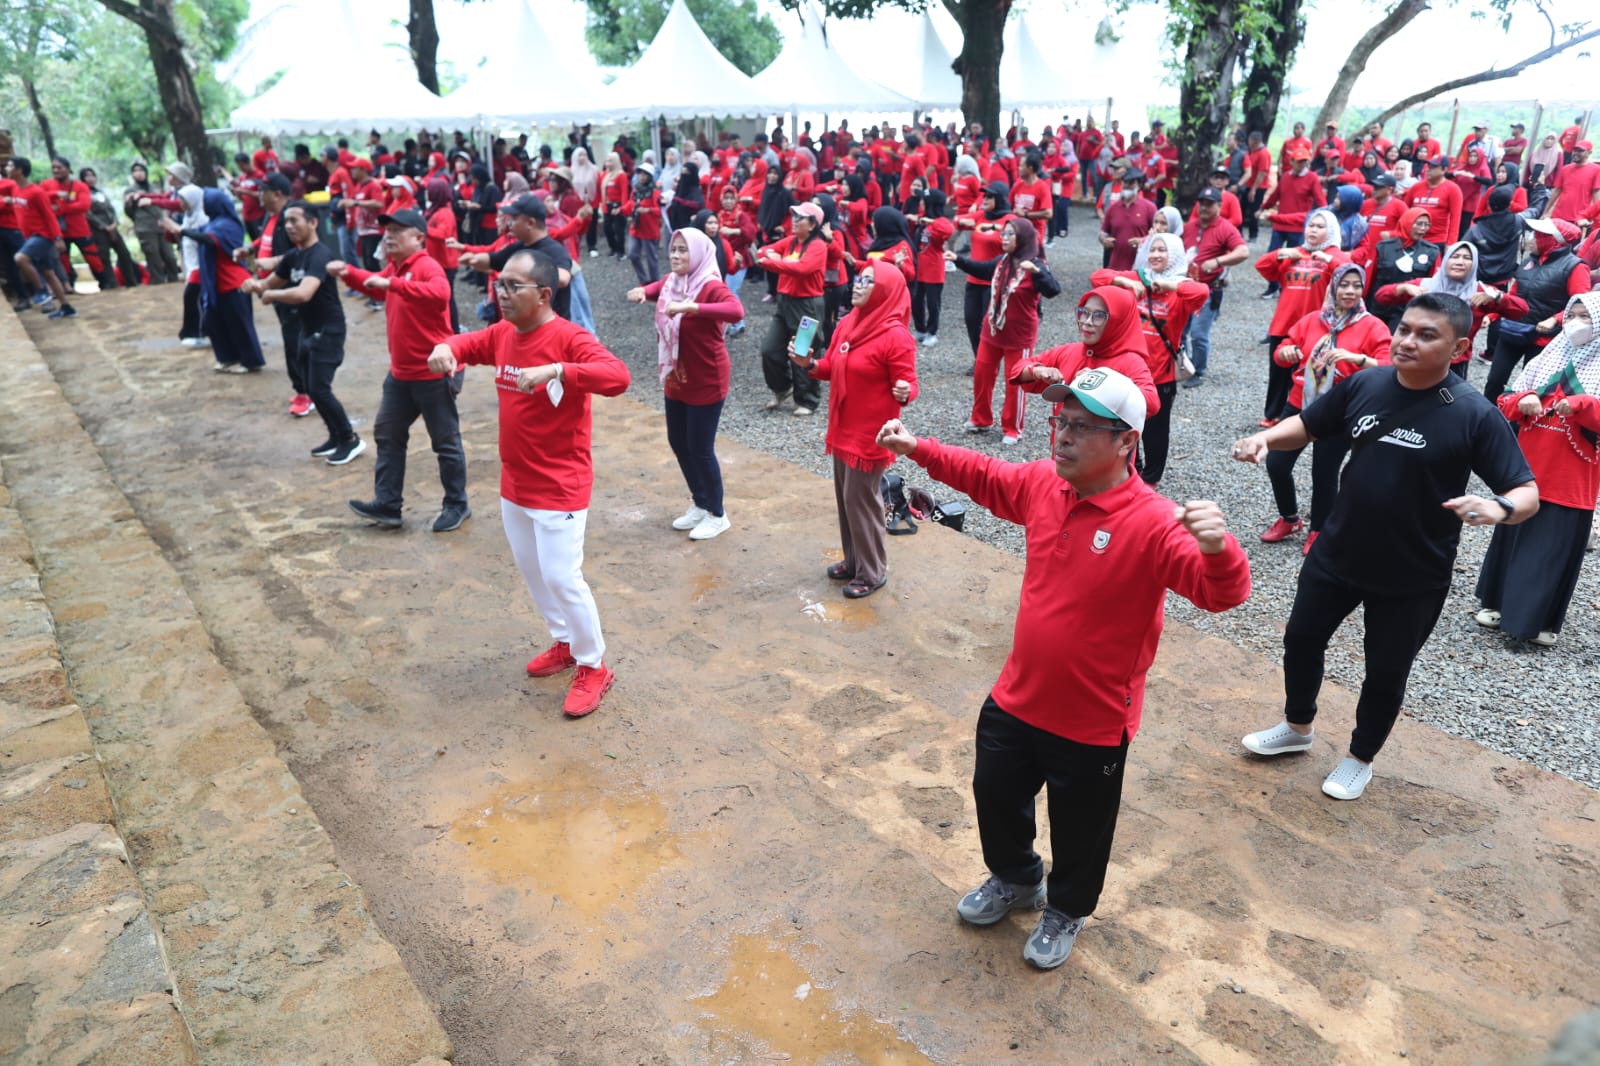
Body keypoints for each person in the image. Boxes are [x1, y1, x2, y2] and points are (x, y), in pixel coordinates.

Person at [876, 367, 1250, 969]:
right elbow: (985, 474)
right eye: (1059, 422)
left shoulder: (1154, 521)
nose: (1061, 437)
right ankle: (1017, 879)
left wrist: (1219, 548)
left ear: (1127, 440)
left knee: (1081, 830)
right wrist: (918, 448)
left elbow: (1219, 594)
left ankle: (1067, 908)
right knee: (995, 795)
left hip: (1094, 718)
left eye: (1079, 426)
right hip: (1018, 695)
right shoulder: (1043, 486)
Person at [1233, 293, 1538, 801]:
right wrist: (1268, 440)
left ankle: (1360, 758)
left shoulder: (1472, 414)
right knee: (1302, 638)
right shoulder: (1367, 383)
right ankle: (1297, 726)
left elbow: (1526, 490)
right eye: (1404, 329)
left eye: (1426, 335)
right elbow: (1308, 425)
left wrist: (1499, 509)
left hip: (1413, 572)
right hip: (1337, 551)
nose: (1407, 341)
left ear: (1459, 346)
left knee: (1385, 670)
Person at [425, 250, 631, 718]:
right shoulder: (503, 334)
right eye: (499, 284)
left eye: (512, 286)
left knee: (562, 577)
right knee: (534, 573)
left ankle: (593, 665)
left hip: (560, 485)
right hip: (514, 483)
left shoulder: (568, 337)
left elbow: (618, 377)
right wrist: (448, 348)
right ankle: (564, 642)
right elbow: (468, 344)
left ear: (542, 294)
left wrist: (559, 370)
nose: (501, 293)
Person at [1475, 292, 1600, 646]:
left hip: (1572, 474)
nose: (1576, 322)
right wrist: (1521, 401)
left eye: (1586, 316)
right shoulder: (1547, 356)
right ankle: (1496, 602)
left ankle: (1533, 621)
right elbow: (1506, 400)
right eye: (1571, 314)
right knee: (1513, 534)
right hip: (1529, 466)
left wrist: (1582, 404)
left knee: (1550, 548)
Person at [789, 261, 918, 599]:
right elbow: (831, 365)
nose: (858, 285)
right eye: (860, 279)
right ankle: (854, 562)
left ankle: (872, 572)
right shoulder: (847, 323)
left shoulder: (896, 336)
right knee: (846, 500)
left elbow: (908, 383)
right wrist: (810, 364)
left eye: (869, 281)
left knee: (862, 502)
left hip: (871, 435)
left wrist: (905, 391)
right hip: (842, 428)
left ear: (886, 291)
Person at [332, 208, 467, 532]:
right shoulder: (397, 267)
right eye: (387, 230)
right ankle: (388, 505)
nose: (388, 236)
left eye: (397, 230)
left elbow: (441, 294)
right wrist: (348, 272)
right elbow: (379, 288)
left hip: (433, 374)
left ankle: (457, 504)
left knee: (445, 441)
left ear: (419, 237)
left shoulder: (426, 266)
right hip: (401, 374)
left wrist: (394, 283)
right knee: (388, 434)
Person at [1258, 264, 1392, 550]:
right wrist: (1286, 352)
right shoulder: (1312, 320)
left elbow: (1389, 366)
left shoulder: (1372, 325)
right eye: (1344, 284)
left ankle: (1319, 529)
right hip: (1301, 403)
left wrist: (1359, 359)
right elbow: (1284, 351)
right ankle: (1289, 517)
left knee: (1325, 471)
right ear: (1334, 287)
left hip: (1341, 411)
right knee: (1277, 463)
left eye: (1357, 285)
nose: (1350, 291)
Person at [626, 227, 742, 541]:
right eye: (673, 250)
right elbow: (657, 287)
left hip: (706, 378)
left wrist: (694, 308)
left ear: (699, 254)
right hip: (677, 376)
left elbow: (736, 310)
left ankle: (718, 514)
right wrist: (643, 292)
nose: (676, 256)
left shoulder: (710, 286)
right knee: (679, 442)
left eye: (683, 250)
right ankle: (700, 503)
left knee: (701, 448)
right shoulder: (674, 282)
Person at [242, 201, 364, 465]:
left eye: (295, 220)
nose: (289, 226)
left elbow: (303, 292)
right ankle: (335, 436)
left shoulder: (321, 255)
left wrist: (271, 294)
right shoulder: (293, 257)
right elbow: (269, 282)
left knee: (320, 389)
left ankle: (350, 439)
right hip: (307, 330)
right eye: (286, 221)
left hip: (328, 330)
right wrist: (254, 285)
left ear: (313, 223)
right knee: (309, 387)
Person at [1090, 234, 1208, 487]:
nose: (1155, 255)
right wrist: (1123, 280)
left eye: (1162, 251)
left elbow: (1201, 292)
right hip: (1126, 371)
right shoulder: (1137, 277)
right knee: (1122, 424)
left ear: (1174, 256)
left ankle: (1151, 481)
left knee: (1155, 432)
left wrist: (1170, 285)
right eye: (1152, 249)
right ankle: (1133, 470)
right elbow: (1097, 278)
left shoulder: (1181, 288)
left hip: (1160, 375)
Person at [948, 217, 1060, 444]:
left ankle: (1012, 428)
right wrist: (958, 259)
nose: (1004, 238)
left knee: (1016, 381)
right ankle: (981, 418)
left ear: (1023, 238)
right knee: (982, 374)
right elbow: (981, 269)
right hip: (992, 330)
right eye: (1004, 234)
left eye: (1010, 234)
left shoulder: (1035, 264)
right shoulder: (1003, 261)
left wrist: (1038, 272)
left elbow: (1053, 290)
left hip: (1019, 335)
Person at [1255, 209, 1349, 424]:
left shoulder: (1335, 255)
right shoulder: (1295, 252)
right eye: (1311, 225)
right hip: (1284, 323)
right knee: (1278, 371)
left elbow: (1351, 275)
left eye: (1319, 226)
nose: (1313, 230)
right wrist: (1281, 254)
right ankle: (1273, 413)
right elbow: (1262, 266)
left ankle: (1305, 415)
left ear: (1331, 231)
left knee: (1309, 372)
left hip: (1316, 326)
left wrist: (1328, 259)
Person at [1484, 217, 1592, 400]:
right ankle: (1486, 421)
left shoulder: (1575, 267)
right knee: (1494, 380)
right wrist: (1494, 314)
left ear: (1553, 240)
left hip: (1543, 339)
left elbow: (1581, 304)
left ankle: (1519, 426)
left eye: (1538, 235)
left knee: (1532, 387)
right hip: (1513, 330)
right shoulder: (1529, 261)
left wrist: (1554, 320)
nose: (1531, 238)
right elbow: (1515, 295)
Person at [163, 189, 264, 373]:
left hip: (234, 282)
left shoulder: (228, 224)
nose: (203, 206)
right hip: (216, 283)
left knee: (239, 324)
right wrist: (179, 231)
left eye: (205, 202)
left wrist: (182, 231)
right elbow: (198, 232)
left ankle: (250, 361)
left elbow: (209, 239)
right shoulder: (213, 223)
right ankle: (227, 357)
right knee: (216, 321)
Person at [246, 173, 312, 416]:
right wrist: (250, 248)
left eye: (263, 191)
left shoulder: (293, 220)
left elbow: (303, 253)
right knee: (290, 337)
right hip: (276, 287)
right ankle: (302, 387)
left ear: (277, 194)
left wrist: (272, 272)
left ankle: (306, 392)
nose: (258, 195)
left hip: (288, 288)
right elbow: (266, 239)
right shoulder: (271, 217)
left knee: (294, 340)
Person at [756, 201, 828, 416]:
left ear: (813, 224)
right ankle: (782, 387)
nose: (794, 221)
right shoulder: (791, 242)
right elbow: (762, 250)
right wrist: (777, 259)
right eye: (794, 216)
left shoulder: (818, 246)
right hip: (785, 302)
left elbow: (802, 268)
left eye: (800, 218)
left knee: (802, 351)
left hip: (807, 305)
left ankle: (807, 399)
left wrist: (775, 261)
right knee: (769, 350)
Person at [1182, 186, 1249, 387]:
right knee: (1179, 332)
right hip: (1185, 288)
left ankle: (1198, 371)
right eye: (1202, 203)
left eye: (1209, 204)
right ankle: (1182, 366)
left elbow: (1243, 251)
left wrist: (1218, 261)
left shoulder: (1225, 227)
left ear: (1219, 206)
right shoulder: (1190, 226)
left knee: (1199, 333)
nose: (1204, 207)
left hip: (1209, 290)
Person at [7, 156, 75, 318]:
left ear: (20, 170)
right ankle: (66, 306)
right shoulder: (16, 190)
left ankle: (42, 291)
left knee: (20, 258)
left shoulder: (36, 192)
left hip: (42, 235)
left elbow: (49, 216)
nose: (6, 168)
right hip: (29, 237)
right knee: (49, 273)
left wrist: (58, 238)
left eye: (10, 166)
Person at [1362, 207, 1440, 332]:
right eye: (1419, 223)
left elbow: (1433, 283)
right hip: (1377, 306)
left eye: (1427, 225)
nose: (1423, 228)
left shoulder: (1431, 251)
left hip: (1407, 311)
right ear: (1407, 222)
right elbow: (1368, 278)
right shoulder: (1383, 247)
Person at [1259, 147, 1324, 294]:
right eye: (1299, 161)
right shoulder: (1286, 177)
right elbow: (1276, 195)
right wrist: (1263, 207)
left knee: (1293, 258)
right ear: (1292, 161)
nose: (1302, 164)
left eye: (1304, 161)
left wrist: (1322, 219)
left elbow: (1321, 202)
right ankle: (1272, 286)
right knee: (1274, 255)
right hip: (1280, 225)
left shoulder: (1312, 178)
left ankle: (1286, 287)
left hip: (1298, 227)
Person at [81, 168, 138, 289]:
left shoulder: (100, 192)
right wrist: (104, 226)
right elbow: (88, 214)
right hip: (98, 230)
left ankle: (131, 281)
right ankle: (112, 284)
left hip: (112, 227)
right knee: (104, 257)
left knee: (124, 253)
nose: (90, 179)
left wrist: (114, 223)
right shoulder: (84, 194)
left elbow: (111, 209)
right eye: (87, 176)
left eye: (92, 176)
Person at [911, 188, 953, 345]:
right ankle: (920, 329)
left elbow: (948, 230)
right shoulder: (922, 220)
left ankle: (932, 332)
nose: (921, 203)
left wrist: (931, 222)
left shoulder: (940, 221)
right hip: (919, 269)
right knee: (916, 300)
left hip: (934, 270)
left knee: (932, 303)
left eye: (924, 201)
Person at [122, 163, 177, 283]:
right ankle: (158, 281)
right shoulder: (130, 191)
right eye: (135, 171)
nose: (139, 173)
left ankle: (174, 279)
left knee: (169, 255)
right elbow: (128, 211)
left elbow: (164, 201)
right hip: (144, 227)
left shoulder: (154, 186)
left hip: (162, 224)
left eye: (141, 170)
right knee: (153, 256)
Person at [1097, 170, 1155, 271]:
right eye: (1125, 182)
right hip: (1115, 265)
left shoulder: (1149, 207)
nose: (1127, 185)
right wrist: (1103, 239)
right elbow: (1103, 231)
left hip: (1140, 266)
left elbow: (1158, 234)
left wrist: (1143, 241)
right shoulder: (1113, 207)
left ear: (1139, 185)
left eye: (1131, 183)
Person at [1402, 157, 1464, 251]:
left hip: (1437, 240)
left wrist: (1451, 243)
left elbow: (1455, 219)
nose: (1428, 170)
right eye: (1428, 167)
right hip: (1413, 238)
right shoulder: (1416, 187)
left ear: (1444, 170)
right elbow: (1405, 212)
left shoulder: (1453, 189)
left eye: (1433, 167)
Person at [1544, 140, 1599, 223]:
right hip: (1558, 216)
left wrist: (1594, 217)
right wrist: (1545, 212)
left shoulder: (1596, 170)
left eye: (1580, 151)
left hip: (1578, 218)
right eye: (1575, 150)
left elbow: (1596, 195)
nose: (1576, 153)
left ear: (1589, 153)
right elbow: (1556, 192)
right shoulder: (1565, 169)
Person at [624, 168, 662, 284]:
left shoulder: (655, 192)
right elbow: (631, 203)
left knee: (651, 259)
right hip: (636, 227)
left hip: (649, 229)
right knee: (632, 254)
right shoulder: (636, 189)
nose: (642, 177)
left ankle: (655, 283)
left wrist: (648, 210)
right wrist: (622, 209)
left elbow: (660, 210)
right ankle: (643, 280)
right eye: (640, 174)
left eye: (645, 175)